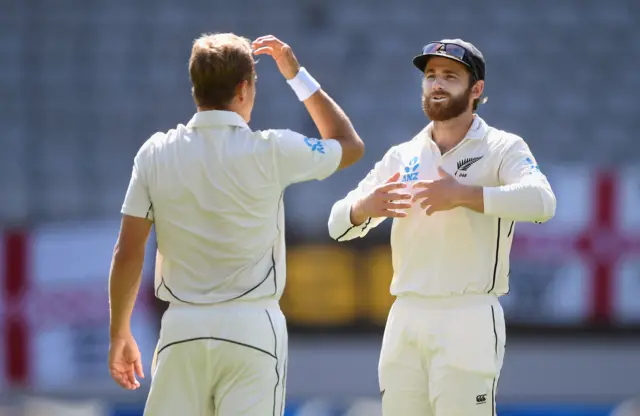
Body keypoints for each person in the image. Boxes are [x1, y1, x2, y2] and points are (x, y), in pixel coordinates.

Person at [107, 33, 364, 416]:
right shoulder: (273, 149)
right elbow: (349, 144)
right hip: (253, 328)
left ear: (196, 90)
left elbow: (128, 252)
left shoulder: (155, 153)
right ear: (244, 90)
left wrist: (119, 333)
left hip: (183, 330)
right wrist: (297, 76)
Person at [327, 39, 556, 415]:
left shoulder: (502, 147)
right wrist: (362, 208)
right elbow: (337, 225)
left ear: (476, 89)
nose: (437, 84)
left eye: (450, 76)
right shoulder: (403, 154)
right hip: (405, 315)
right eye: (431, 76)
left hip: (469, 314)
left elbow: (542, 202)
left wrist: (464, 195)